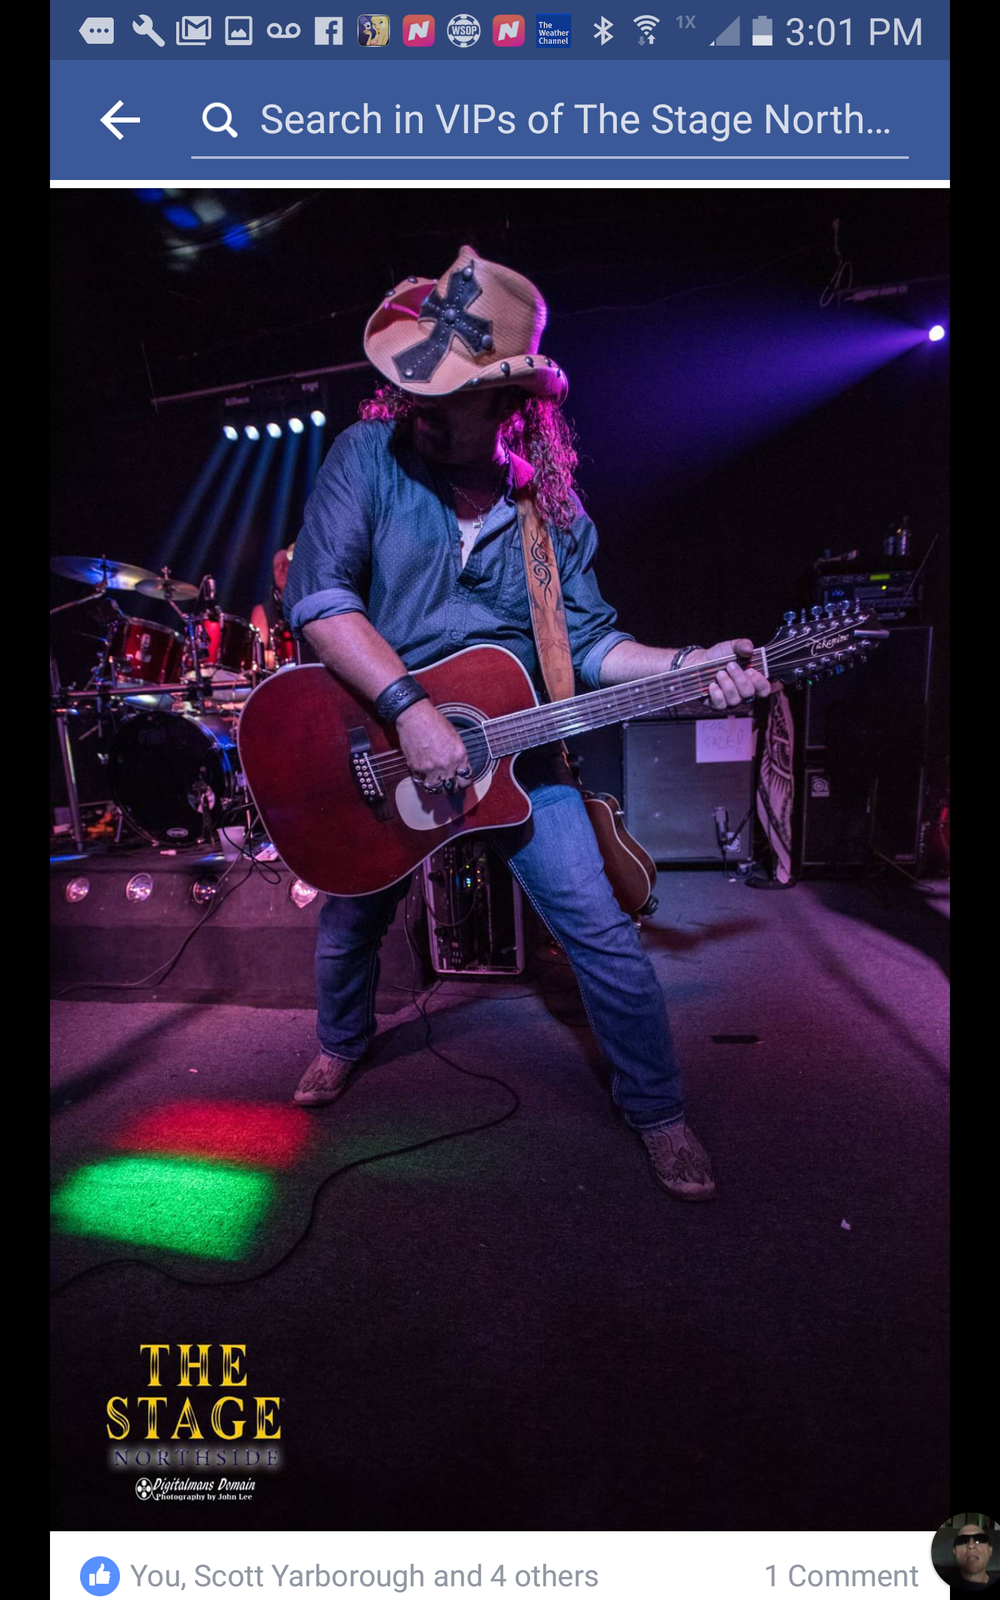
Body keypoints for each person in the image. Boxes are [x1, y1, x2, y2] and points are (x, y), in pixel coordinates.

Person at [283, 245, 772, 1201]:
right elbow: (321, 600)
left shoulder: (552, 512)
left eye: (445, 393)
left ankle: (658, 1111)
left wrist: (688, 664)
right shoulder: (366, 456)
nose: (416, 403)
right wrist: (408, 710)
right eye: (412, 383)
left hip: (515, 754)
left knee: (602, 931)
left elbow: (589, 645)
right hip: (379, 738)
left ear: (510, 403)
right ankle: (340, 1043)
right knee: (350, 920)